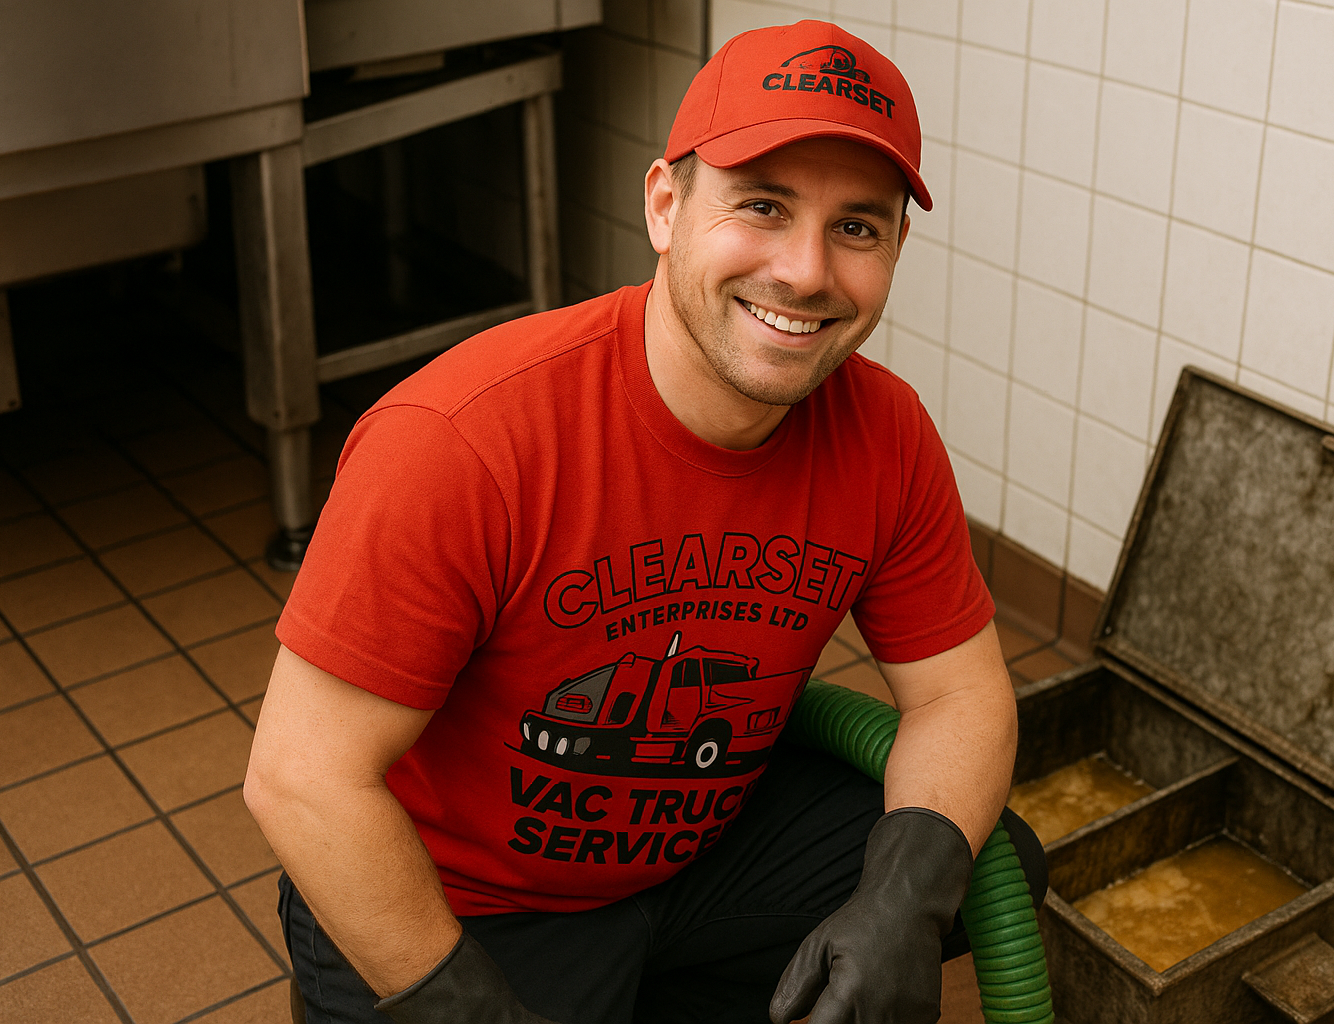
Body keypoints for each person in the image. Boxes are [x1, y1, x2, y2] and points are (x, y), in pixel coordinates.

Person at [245, 18, 1025, 1024]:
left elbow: (961, 697)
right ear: (665, 204)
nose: (804, 272)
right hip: (466, 904)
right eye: (762, 205)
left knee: (988, 858)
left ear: (897, 247)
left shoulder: (885, 434)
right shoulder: (462, 439)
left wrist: (901, 903)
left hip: (696, 853)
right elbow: (304, 777)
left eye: (857, 227)